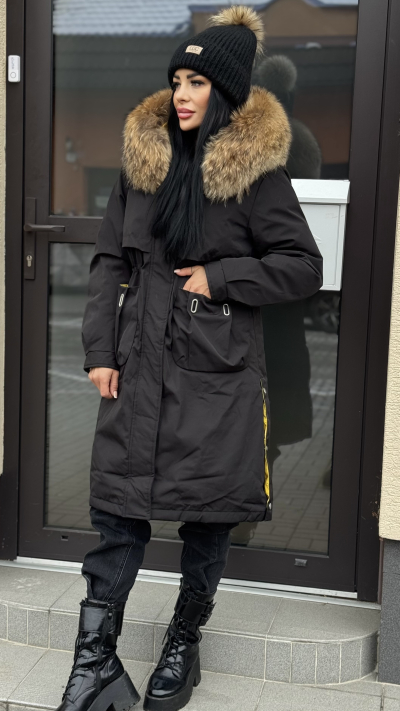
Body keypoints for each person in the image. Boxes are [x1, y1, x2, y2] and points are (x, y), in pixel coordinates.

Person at [58, 6, 323, 711]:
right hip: (136, 366)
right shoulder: (143, 164)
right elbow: (109, 260)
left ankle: (184, 639)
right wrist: (100, 350)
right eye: (177, 79)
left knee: (208, 514)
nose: (181, 93)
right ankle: (94, 664)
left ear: (225, 93)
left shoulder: (256, 176)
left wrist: (222, 275)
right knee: (117, 513)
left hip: (215, 373)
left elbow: (303, 265)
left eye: (197, 82)